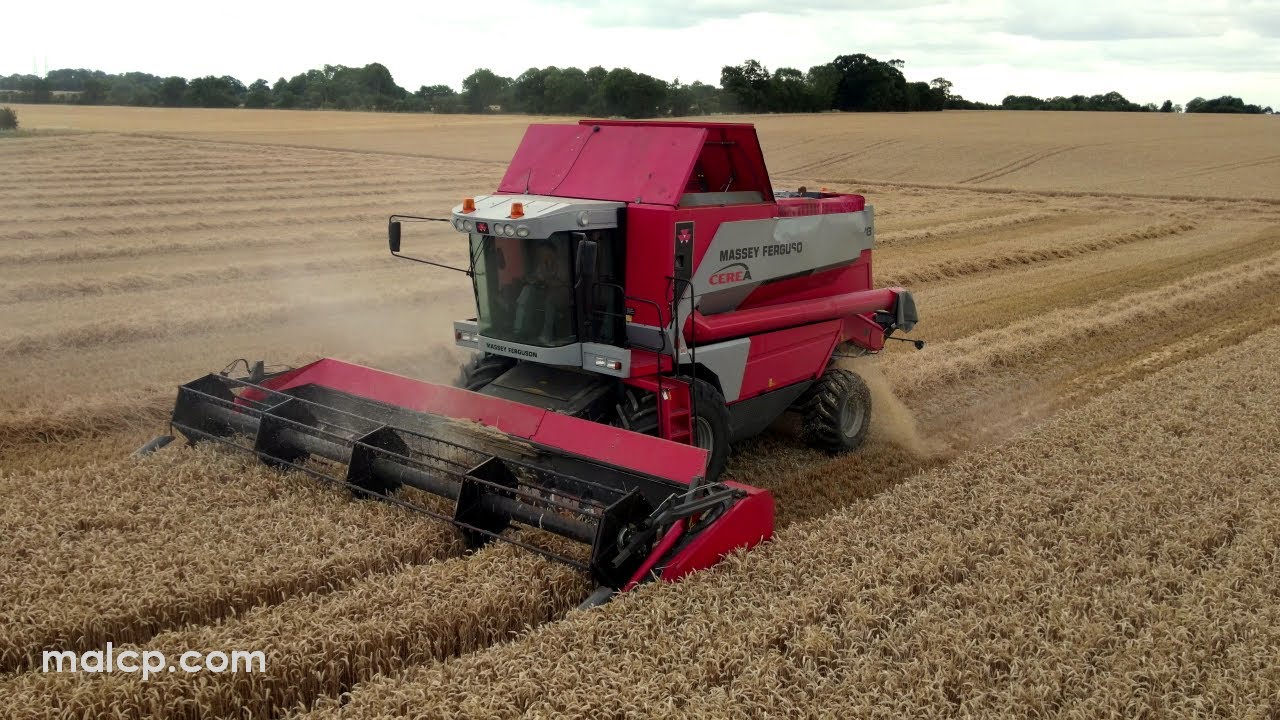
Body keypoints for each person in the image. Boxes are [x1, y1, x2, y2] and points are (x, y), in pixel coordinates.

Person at [514, 242, 570, 344]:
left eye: (543, 252)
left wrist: (545, 281)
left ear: (551, 251)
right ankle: (520, 329)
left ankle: (546, 335)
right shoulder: (543, 264)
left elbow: (563, 282)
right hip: (545, 290)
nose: (541, 254)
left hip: (563, 293)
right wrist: (529, 279)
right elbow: (538, 277)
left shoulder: (561, 263)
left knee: (551, 298)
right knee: (527, 290)